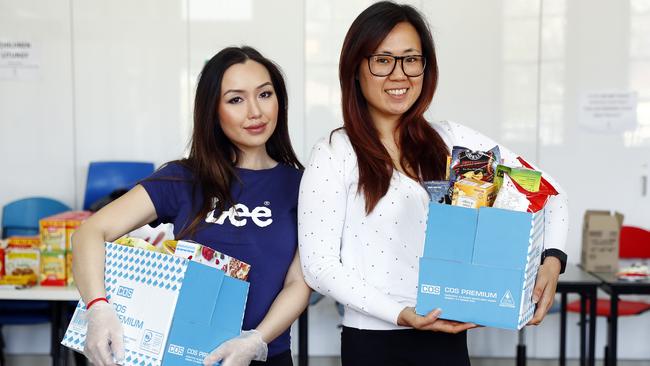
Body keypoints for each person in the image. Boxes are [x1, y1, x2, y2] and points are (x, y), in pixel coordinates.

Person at [297, 2, 569, 365]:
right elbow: (319, 266)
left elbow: (549, 193)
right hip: (374, 343)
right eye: (382, 60)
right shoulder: (334, 153)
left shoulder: (452, 142)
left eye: (411, 59)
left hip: (448, 339)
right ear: (356, 70)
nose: (400, 74)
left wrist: (551, 261)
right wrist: (400, 312)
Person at [72, 46, 310, 366]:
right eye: (236, 99)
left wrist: (255, 341)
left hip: (268, 356)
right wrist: (98, 308)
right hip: (185, 356)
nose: (256, 111)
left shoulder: (303, 185)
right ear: (213, 110)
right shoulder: (184, 178)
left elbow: (299, 281)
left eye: (265, 94)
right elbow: (90, 231)